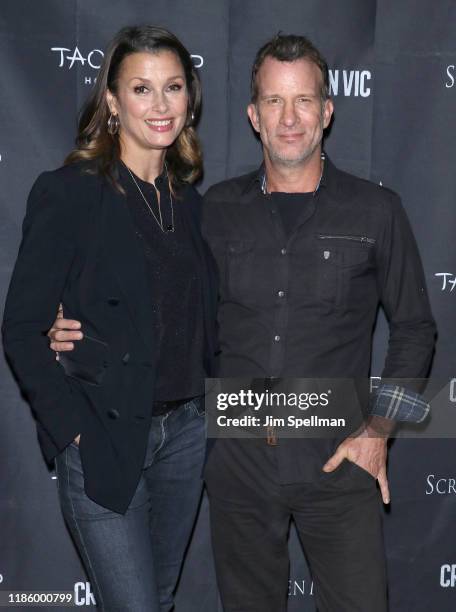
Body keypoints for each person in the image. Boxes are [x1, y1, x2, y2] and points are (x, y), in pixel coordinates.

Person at [47, 34, 436, 612]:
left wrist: (379, 432)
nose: (289, 118)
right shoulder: (210, 210)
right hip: (237, 460)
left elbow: (415, 329)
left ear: (327, 111)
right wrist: (70, 319)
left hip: (340, 459)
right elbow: (155, 297)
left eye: (304, 100)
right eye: (274, 102)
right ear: (253, 116)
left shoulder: (378, 211)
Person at [2, 25, 218, 612]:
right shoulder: (72, 192)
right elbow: (20, 327)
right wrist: (72, 431)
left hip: (186, 438)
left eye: (172, 87)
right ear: (113, 102)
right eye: (141, 89)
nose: (160, 104)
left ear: (189, 99)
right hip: (105, 434)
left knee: (162, 598)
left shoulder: (193, 205)